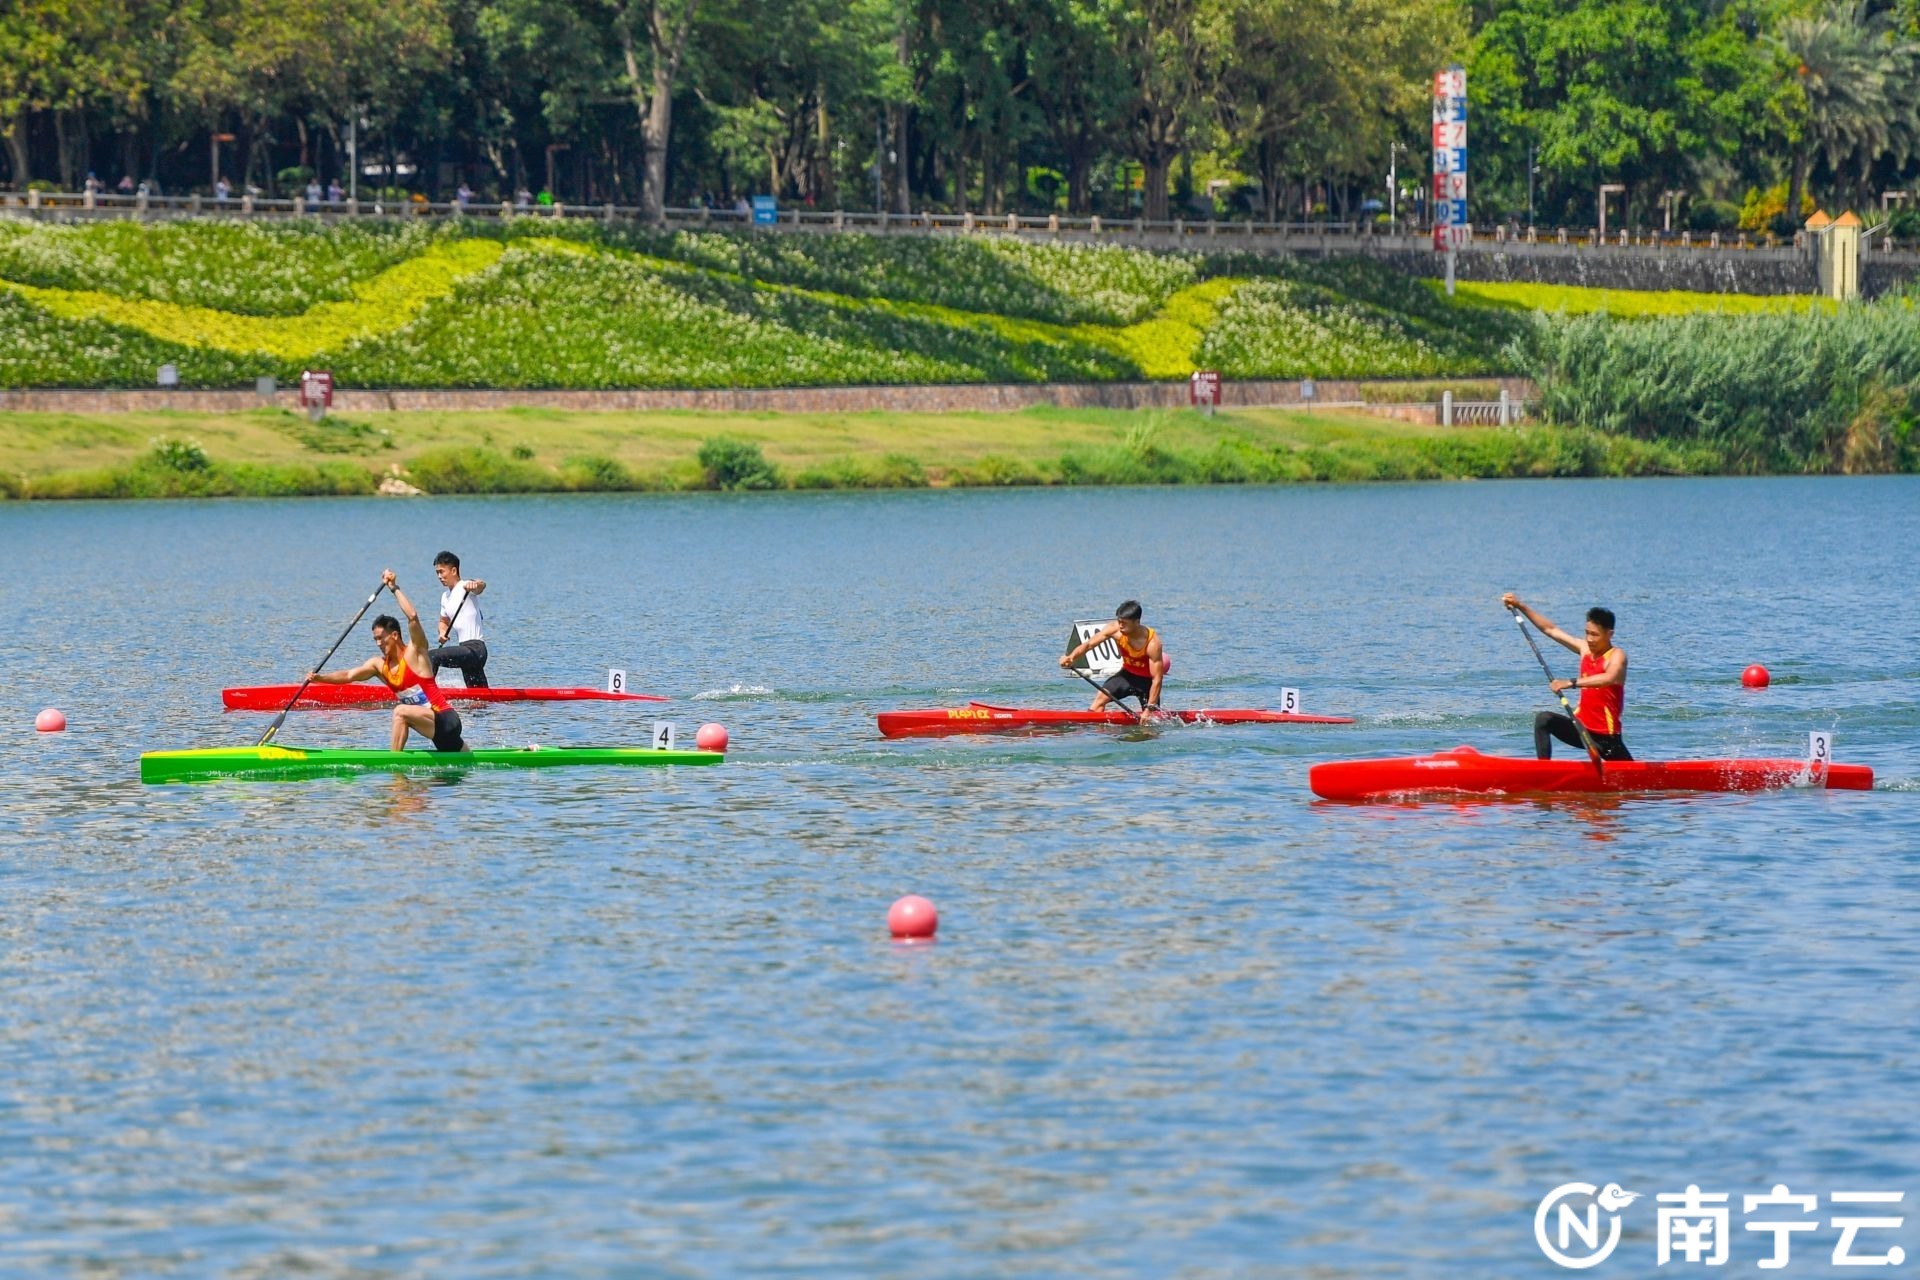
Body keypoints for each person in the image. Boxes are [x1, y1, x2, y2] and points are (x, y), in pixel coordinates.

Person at [306, 570, 468, 751]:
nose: (378, 643)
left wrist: (394, 588)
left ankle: (394, 766)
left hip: (446, 719)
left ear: (395, 635)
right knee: (453, 770)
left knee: (400, 712)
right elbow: (349, 675)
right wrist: (319, 678)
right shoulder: (378, 665)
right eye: (375, 639)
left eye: (381, 638)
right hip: (432, 728)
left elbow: (413, 617)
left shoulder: (415, 652)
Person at [1501, 593, 1631, 761]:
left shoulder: (1617, 656)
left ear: (1609, 634)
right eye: (1587, 633)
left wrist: (1570, 683)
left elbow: (1609, 678)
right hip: (1581, 729)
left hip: (1607, 739)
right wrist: (1520, 606)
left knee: (1636, 780)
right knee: (1544, 719)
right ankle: (1544, 771)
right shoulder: (1585, 648)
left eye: (1595, 635)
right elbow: (1550, 629)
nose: (1589, 639)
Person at [1059, 599, 1165, 712]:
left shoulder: (1153, 644)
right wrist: (1071, 657)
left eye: (1124, 623)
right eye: (1119, 621)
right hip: (1126, 676)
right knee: (1100, 699)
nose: (1120, 626)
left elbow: (1157, 679)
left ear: (1137, 622)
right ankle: (1093, 727)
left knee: (1151, 720)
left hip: (1147, 682)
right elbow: (1089, 644)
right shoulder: (1114, 629)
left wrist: (1149, 709)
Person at [427, 550, 489, 688]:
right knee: (478, 698)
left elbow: (481, 586)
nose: (439, 576)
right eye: (437, 572)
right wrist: (442, 632)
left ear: (453, 570)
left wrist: (476, 584)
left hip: (476, 650)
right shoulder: (445, 597)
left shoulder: (466, 586)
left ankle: (425, 694)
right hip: (465, 652)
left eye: (442, 571)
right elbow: (443, 621)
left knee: (431, 656)